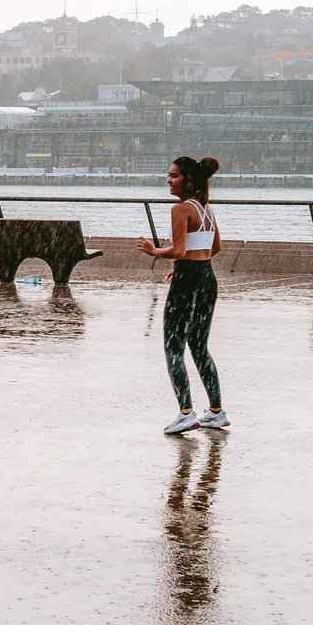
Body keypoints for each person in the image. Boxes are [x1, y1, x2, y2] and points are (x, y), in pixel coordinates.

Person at [137, 154, 228, 434]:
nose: (169, 180)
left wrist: (155, 251)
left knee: (173, 347)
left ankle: (186, 413)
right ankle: (216, 412)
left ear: (188, 180)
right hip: (206, 278)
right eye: (168, 175)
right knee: (199, 348)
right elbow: (214, 249)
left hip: (188, 282)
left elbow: (177, 250)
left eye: (174, 176)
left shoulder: (180, 210)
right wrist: (186, 265)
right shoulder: (205, 209)